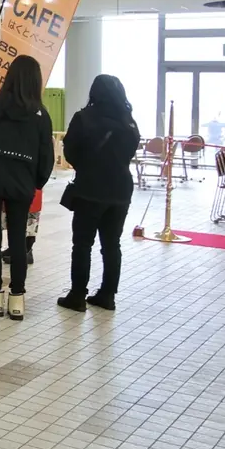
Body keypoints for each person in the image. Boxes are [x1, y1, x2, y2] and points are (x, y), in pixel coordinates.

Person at [0, 55, 54, 320]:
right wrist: (35, 182)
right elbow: (47, 157)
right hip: (21, 181)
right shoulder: (40, 114)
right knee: (18, 240)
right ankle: (17, 299)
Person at [57, 75, 141, 311]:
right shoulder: (129, 121)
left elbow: (70, 150)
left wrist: (86, 165)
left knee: (83, 244)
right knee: (112, 244)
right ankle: (107, 295)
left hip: (90, 188)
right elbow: (131, 151)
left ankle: (77, 295)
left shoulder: (84, 117)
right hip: (121, 189)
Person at [2, 189, 41, 265]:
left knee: (30, 219)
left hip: (32, 187)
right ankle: (14, 249)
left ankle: (27, 251)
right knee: (13, 218)